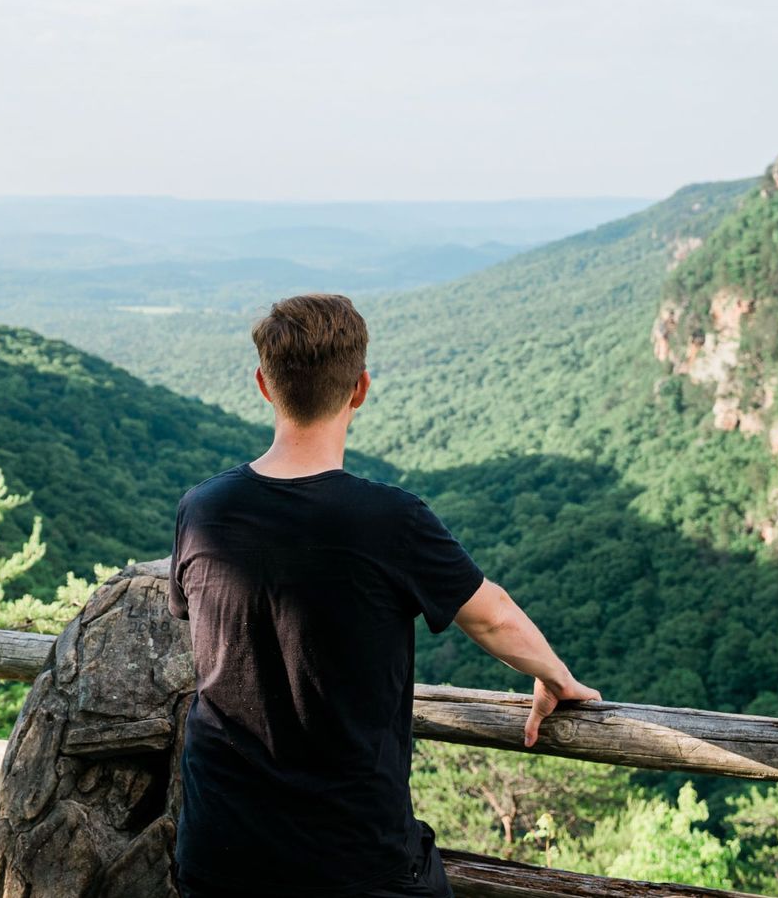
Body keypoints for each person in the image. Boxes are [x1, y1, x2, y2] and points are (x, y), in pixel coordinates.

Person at [167, 293, 601, 898]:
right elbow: (494, 617)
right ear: (360, 389)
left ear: (264, 385)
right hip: (352, 857)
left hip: (220, 850)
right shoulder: (389, 520)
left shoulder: (201, 509)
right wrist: (557, 680)